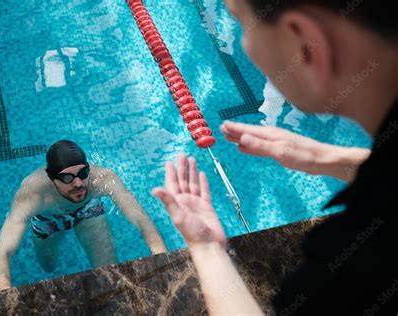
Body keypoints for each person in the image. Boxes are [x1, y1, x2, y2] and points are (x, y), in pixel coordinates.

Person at [153, 0, 397, 314]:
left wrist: (207, 249)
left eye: (241, 24)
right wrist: (322, 156)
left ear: (306, 44)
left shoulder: (355, 268)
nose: (244, 44)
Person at [0, 140, 167, 292]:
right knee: (48, 265)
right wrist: (4, 289)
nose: (78, 183)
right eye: (67, 178)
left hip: (88, 211)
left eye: (83, 173)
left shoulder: (103, 179)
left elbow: (140, 219)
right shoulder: (33, 195)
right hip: (49, 221)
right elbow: (3, 251)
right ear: (52, 178)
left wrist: (161, 257)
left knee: (109, 272)